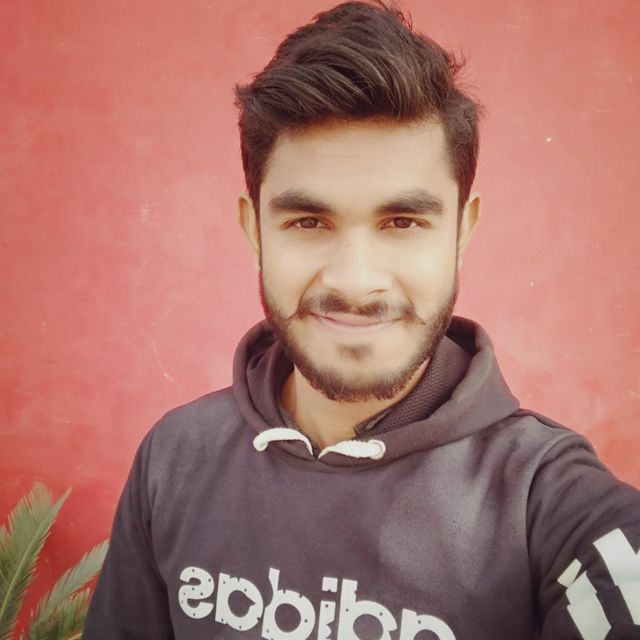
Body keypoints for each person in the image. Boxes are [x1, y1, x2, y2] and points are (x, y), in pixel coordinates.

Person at [83, 2, 640, 639]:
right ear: (254, 228)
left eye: (403, 222)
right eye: (308, 222)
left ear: (462, 230)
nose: (354, 281)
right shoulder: (175, 457)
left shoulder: (549, 503)